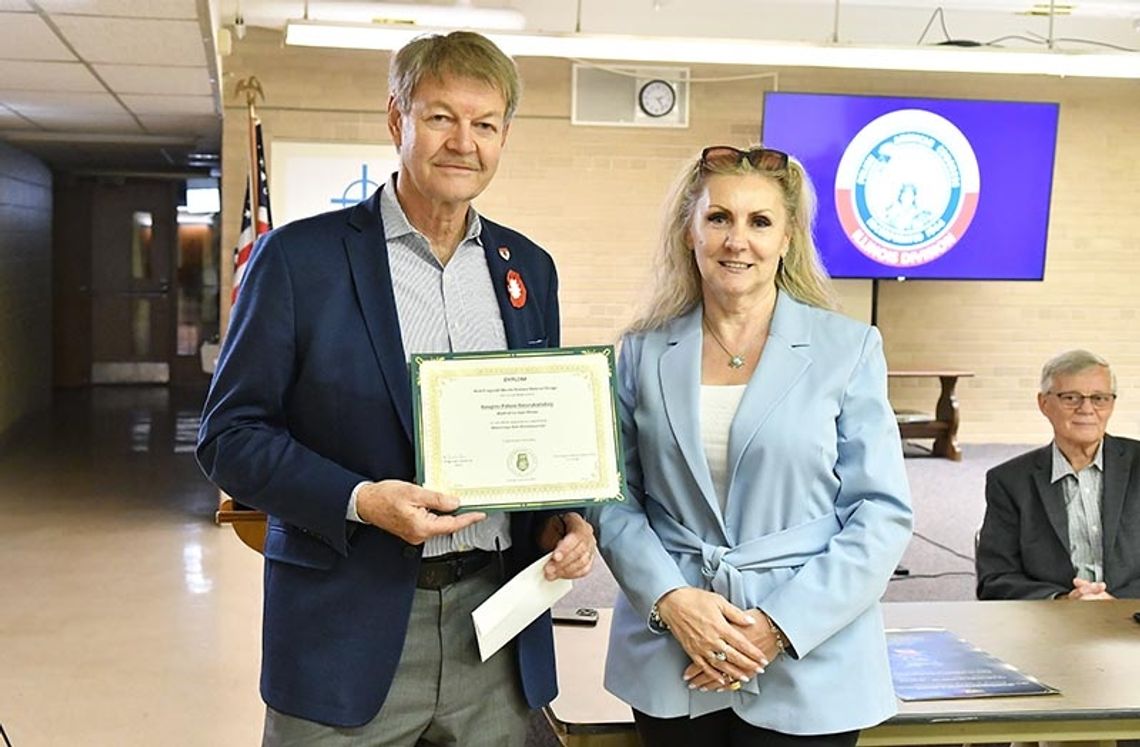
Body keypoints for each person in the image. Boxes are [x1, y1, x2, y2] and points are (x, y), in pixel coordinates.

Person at [197, 31, 595, 746]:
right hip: (343, 629)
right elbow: (230, 437)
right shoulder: (298, 260)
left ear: (505, 135)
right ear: (396, 120)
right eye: (441, 116)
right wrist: (362, 501)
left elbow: (538, 428)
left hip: (494, 628)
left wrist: (561, 517)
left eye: (485, 123)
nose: (462, 142)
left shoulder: (528, 268)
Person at [587, 145, 913, 746]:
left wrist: (777, 626)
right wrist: (671, 599)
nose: (738, 240)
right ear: (690, 231)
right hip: (672, 648)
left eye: (760, 221)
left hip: (808, 656)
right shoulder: (641, 349)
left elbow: (881, 515)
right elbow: (613, 498)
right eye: (719, 218)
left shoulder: (849, 348)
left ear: (788, 238)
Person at [976, 349, 1140, 600]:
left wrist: (1115, 605)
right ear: (1044, 403)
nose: (1086, 409)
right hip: (1050, 625)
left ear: (1112, 404)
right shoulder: (1009, 481)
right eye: (1071, 398)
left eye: (1099, 398)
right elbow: (996, 578)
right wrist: (1062, 600)